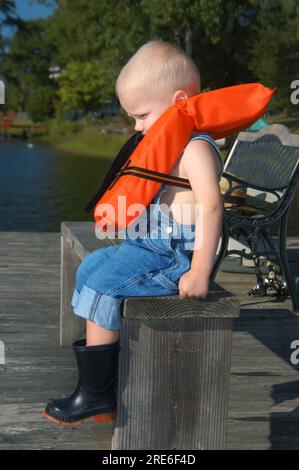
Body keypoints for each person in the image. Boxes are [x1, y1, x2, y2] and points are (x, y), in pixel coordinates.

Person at [44, 40, 224, 425]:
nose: (136, 126)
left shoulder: (194, 149)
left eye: (142, 115)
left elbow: (211, 207)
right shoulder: (166, 146)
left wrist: (200, 271)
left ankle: (96, 394)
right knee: (90, 268)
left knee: (103, 285)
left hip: (174, 256)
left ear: (178, 101)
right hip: (148, 243)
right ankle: (105, 369)